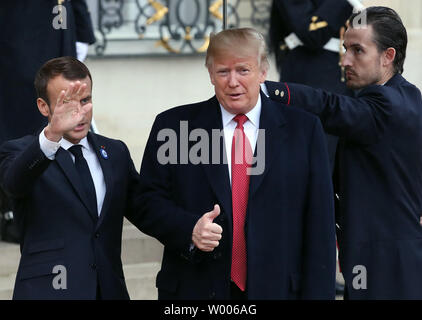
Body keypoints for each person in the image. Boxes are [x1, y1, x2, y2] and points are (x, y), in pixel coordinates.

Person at [137, 28, 336, 300]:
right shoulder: (174, 127)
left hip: (279, 289)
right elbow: (146, 201)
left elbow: (319, 224)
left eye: (243, 70)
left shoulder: (304, 130)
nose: (233, 82)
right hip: (195, 290)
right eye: (223, 71)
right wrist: (188, 229)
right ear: (210, 74)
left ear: (263, 72)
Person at [265, 6, 422, 299]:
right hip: (382, 261)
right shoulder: (409, 95)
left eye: (358, 51)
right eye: (344, 48)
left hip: (386, 267)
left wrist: (269, 91)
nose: (345, 60)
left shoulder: (385, 104)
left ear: (388, 56)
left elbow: (331, 107)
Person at [0, 57, 143, 300]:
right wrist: (53, 135)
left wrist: (190, 228)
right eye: (67, 103)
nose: (79, 112)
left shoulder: (115, 152)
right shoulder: (20, 151)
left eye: (85, 100)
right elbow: (13, 184)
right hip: (47, 292)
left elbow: (146, 208)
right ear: (44, 107)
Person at [0, 0, 96, 243]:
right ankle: (11, 210)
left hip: (60, 29)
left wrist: (82, 29)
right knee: (21, 119)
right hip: (17, 31)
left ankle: (56, 203)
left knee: (63, 110)